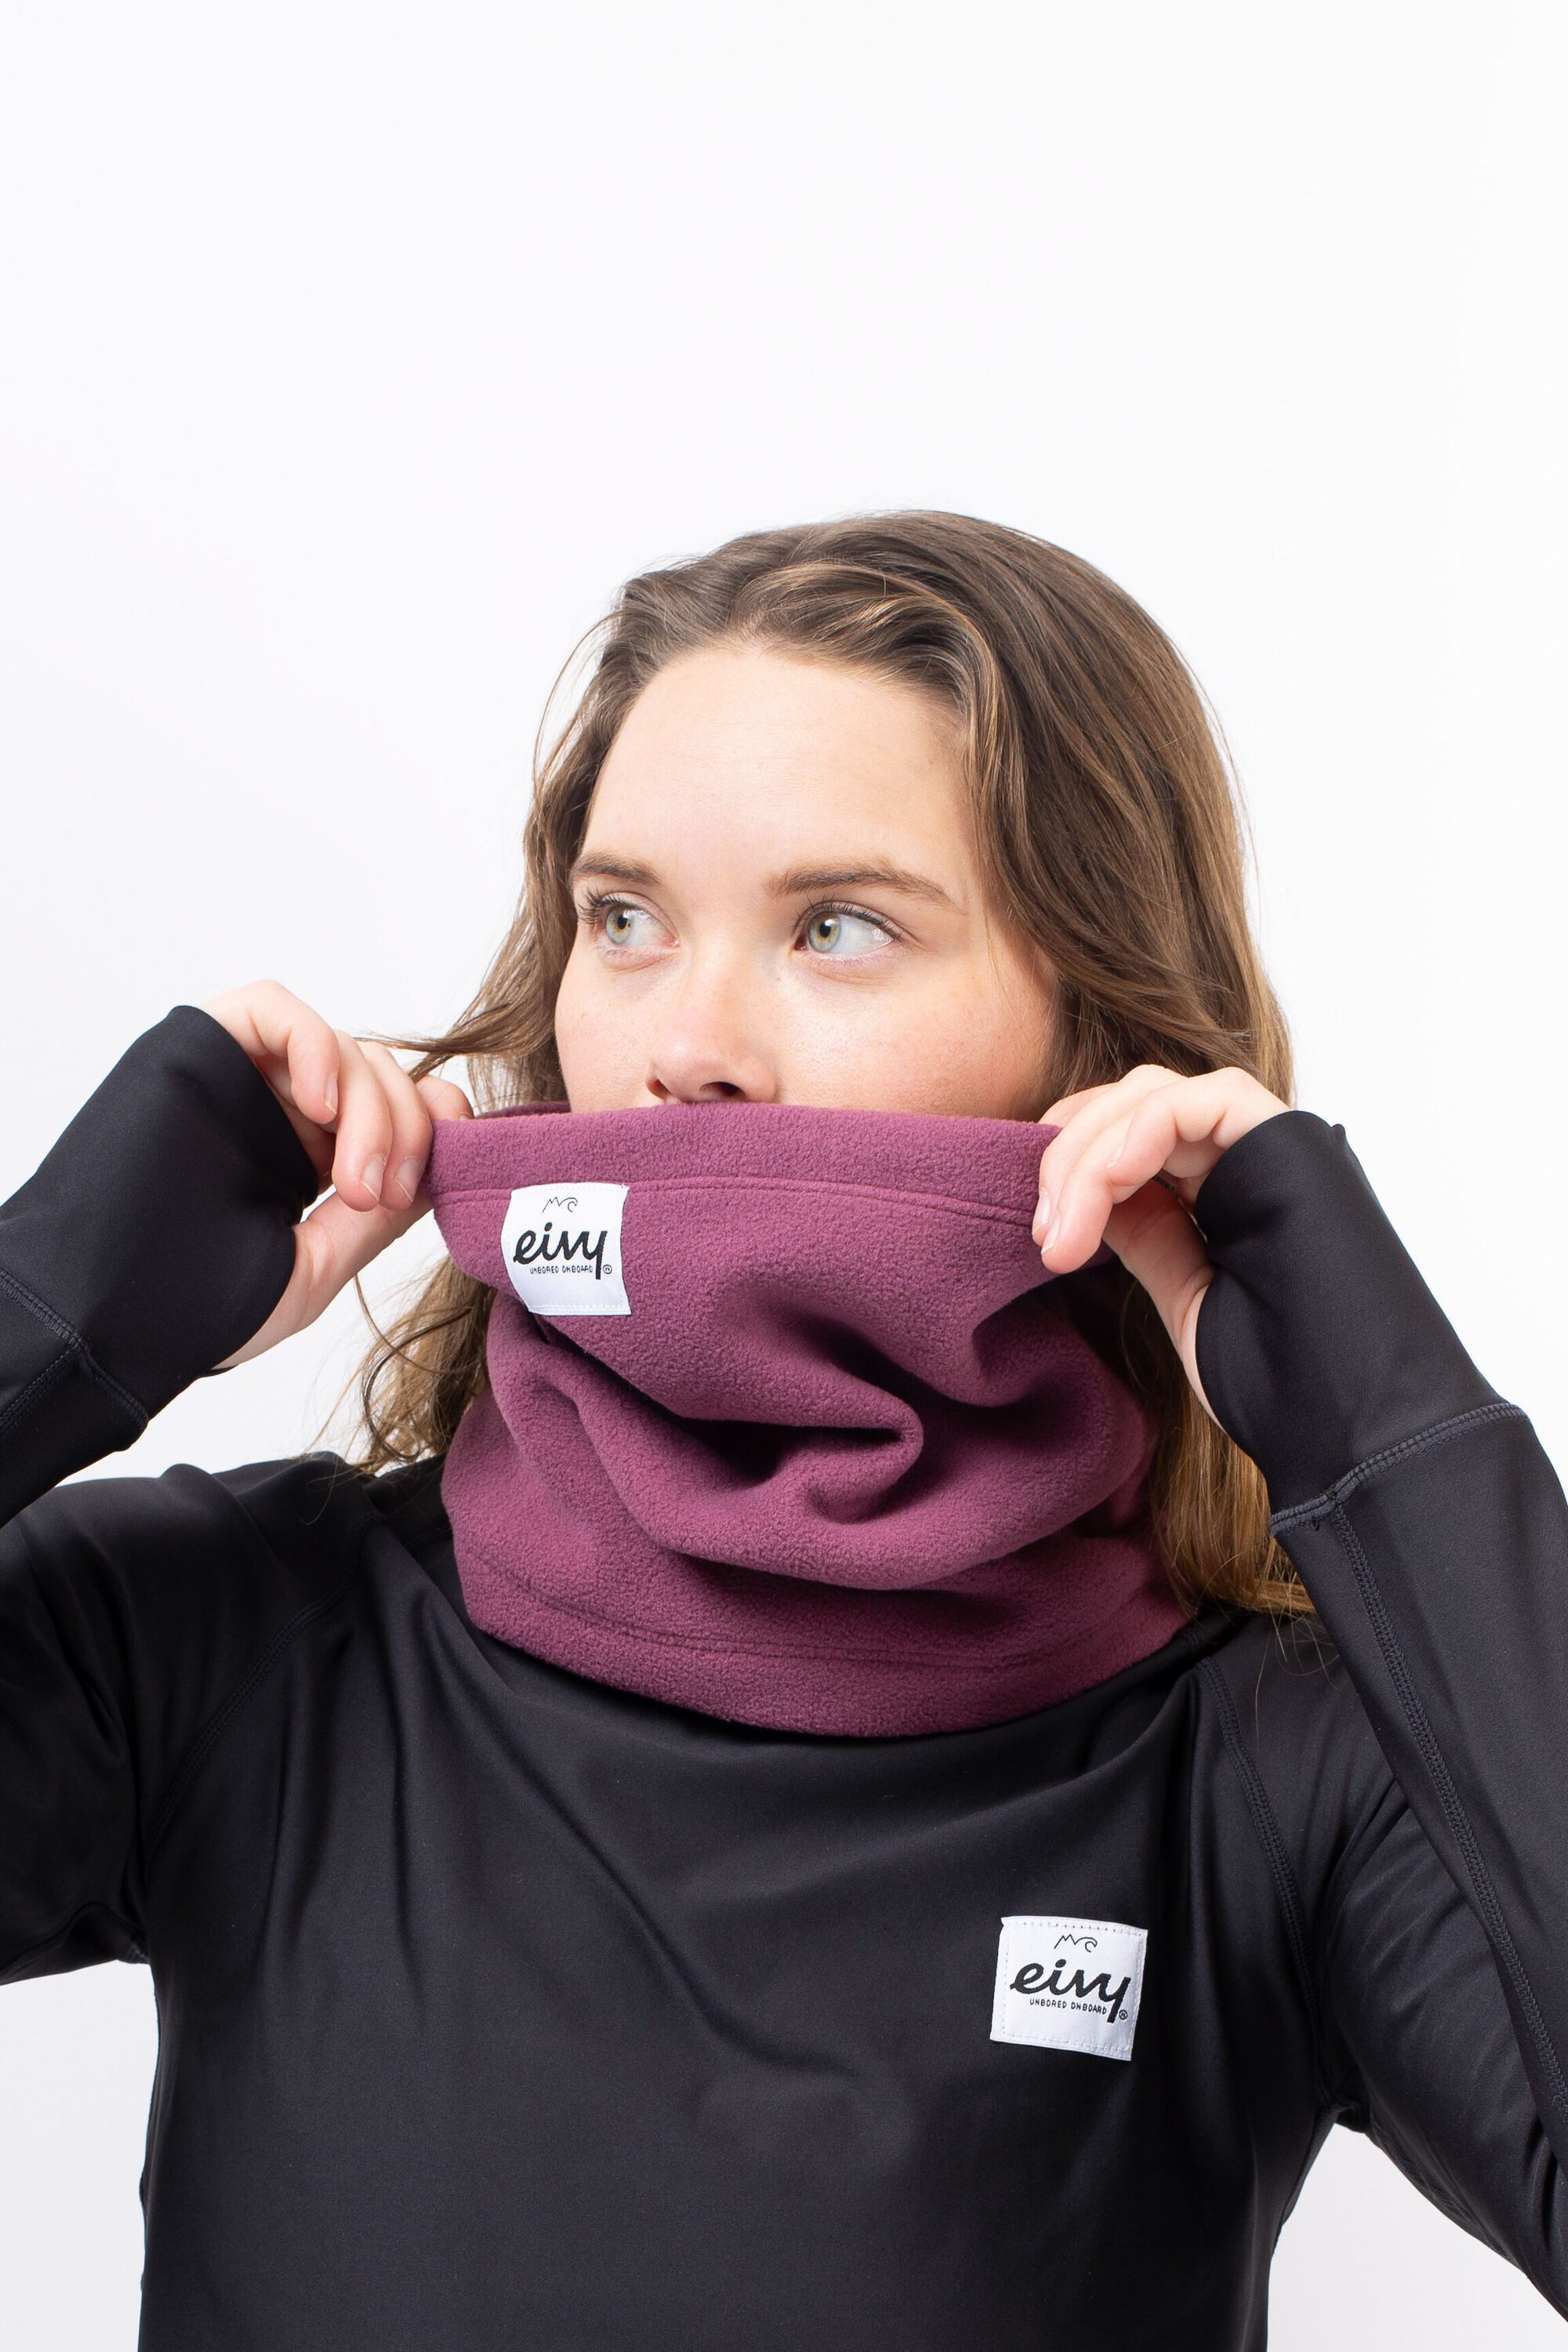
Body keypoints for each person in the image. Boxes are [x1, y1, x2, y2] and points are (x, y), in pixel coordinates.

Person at [2, 510, 1564, 2349]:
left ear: (1096, 1045)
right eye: (624, 919)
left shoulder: (1269, 1777)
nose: (688, 1047)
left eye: (838, 928)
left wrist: (1387, 1434)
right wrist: (53, 1317)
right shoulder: (234, 1644)